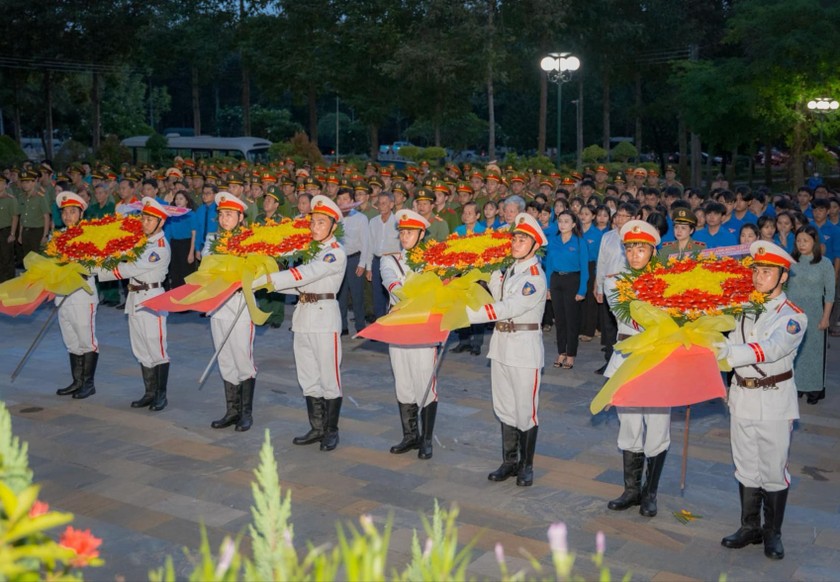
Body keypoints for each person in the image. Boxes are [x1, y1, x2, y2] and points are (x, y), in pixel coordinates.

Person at [716, 241, 807, 560]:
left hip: (774, 399)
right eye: (756, 270)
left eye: (767, 272)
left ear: (783, 276)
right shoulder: (741, 304)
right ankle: (749, 526)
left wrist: (725, 353)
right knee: (745, 466)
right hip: (742, 396)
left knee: (772, 468)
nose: (758, 277)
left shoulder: (793, 316)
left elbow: (771, 349)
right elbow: (719, 327)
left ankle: (772, 532)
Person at [257, 195, 347, 451]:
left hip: (324, 316)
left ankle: (331, 430)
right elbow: (298, 286)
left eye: (321, 222)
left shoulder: (334, 253)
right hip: (304, 316)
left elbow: (307, 274)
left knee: (329, 376)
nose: (314, 227)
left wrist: (268, 279)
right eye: (313, 222)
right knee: (307, 375)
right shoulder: (311, 252)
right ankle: (316, 427)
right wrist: (266, 280)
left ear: (333, 226)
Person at [465, 213, 548, 486]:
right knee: (504, 407)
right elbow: (487, 287)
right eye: (514, 237)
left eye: (523, 239)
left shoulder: (534, 277)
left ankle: (526, 465)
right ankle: (509, 461)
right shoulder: (505, 269)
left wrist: (468, 314)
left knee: (525, 409)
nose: (516, 242)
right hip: (501, 347)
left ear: (535, 245)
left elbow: (508, 307)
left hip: (524, 350)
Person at [606, 219, 670, 518]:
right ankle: (631, 489)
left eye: (641, 248)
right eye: (630, 248)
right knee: (630, 425)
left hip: (657, 359)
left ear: (652, 251)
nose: (634, 254)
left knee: (656, 426)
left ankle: (650, 493)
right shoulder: (615, 281)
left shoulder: (669, 281)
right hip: (628, 356)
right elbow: (632, 316)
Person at [94, 197, 172, 411]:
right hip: (135, 296)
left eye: (149, 219)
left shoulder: (160, 247)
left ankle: (160, 395)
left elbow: (130, 269)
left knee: (156, 346)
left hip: (152, 297)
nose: (144, 222)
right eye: (143, 218)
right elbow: (123, 254)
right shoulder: (142, 241)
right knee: (140, 347)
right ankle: (149, 392)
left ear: (161, 222)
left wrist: (95, 268)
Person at [380, 209, 440, 459]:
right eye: (402, 232)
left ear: (421, 234)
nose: (404, 236)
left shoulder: (433, 261)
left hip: (423, 327)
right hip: (399, 324)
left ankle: (426, 439)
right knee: (403, 382)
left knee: (424, 381)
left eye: (410, 232)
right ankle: (409, 435)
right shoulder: (389, 259)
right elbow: (392, 284)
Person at [202, 193, 259, 431]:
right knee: (224, 359)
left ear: (240, 218)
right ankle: (232, 411)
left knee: (242, 358)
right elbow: (206, 266)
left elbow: (255, 270)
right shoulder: (212, 239)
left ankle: (246, 413)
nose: (224, 219)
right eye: (221, 215)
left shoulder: (250, 240)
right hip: (219, 305)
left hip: (240, 305)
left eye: (229, 215)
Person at [53, 192, 99, 400]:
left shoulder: (89, 236)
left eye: (72, 212)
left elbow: (96, 266)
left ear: (81, 213)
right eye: (64, 212)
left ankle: (88, 384)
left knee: (86, 339)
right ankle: (77, 381)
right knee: (71, 339)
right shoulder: (57, 237)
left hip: (82, 295)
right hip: (62, 295)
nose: (68, 216)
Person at [787, 226, 834, 404]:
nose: (801, 244)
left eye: (805, 240)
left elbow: (829, 293)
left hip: (815, 313)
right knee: (794, 351)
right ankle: (796, 386)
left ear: (814, 242)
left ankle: (814, 389)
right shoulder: (790, 262)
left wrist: (826, 317)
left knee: (813, 352)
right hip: (792, 313)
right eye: (798, 240)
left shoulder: (824, 263)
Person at [546, 210, 588, 369]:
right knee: (560, 320)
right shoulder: (553, 240)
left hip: (573, 280)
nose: (562, 224)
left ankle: (571, 354)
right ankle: (561, 351)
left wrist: (582, 290)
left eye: (566, 221)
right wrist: (548, 287)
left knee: (571, 320)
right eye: (560, 221)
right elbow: (549, 265)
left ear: (573, 224)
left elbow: (585, 268)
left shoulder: (579, 242)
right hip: (556, 280)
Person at [335, 187, 370, 336]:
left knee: (357, 296)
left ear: (351, 201)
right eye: (340, 199)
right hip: (338, 260)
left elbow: (366, 243)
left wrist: (363, 263)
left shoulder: (361, 218)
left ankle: (360, 326)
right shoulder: (334, 217)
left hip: (355, 259)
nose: (342, 202)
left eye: (345, 199)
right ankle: (342, 326)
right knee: (340, 295)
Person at [366, 191, 400, 320]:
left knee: (393, 292)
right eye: (379, 204)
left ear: (392, 205)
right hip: (377, 260)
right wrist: (368, 267)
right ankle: (380, 321)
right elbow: (370, 244)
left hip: (392, 261)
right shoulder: (373, 222)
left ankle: (394, 320)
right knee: (377, 294)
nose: (381, 206)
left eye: (385, 203)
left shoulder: (397, 222)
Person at [163, 191, 197, 289]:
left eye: (181, 198)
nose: (178, 201)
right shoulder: (171, 215)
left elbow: (194, 234)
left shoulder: (191, 214)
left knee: (186, 273)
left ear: (186, 201)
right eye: (176, 199)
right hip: (174, 245)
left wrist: (191, 253)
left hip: (187, 245)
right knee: (175, 273)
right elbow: (168, 233)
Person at [0, 176, 19, 283]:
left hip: (5, 231)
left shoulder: (10, 199)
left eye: (0, 183)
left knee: (6, 258)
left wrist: (12, 233)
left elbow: (15, 217)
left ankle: (8, 282)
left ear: (5, 185)